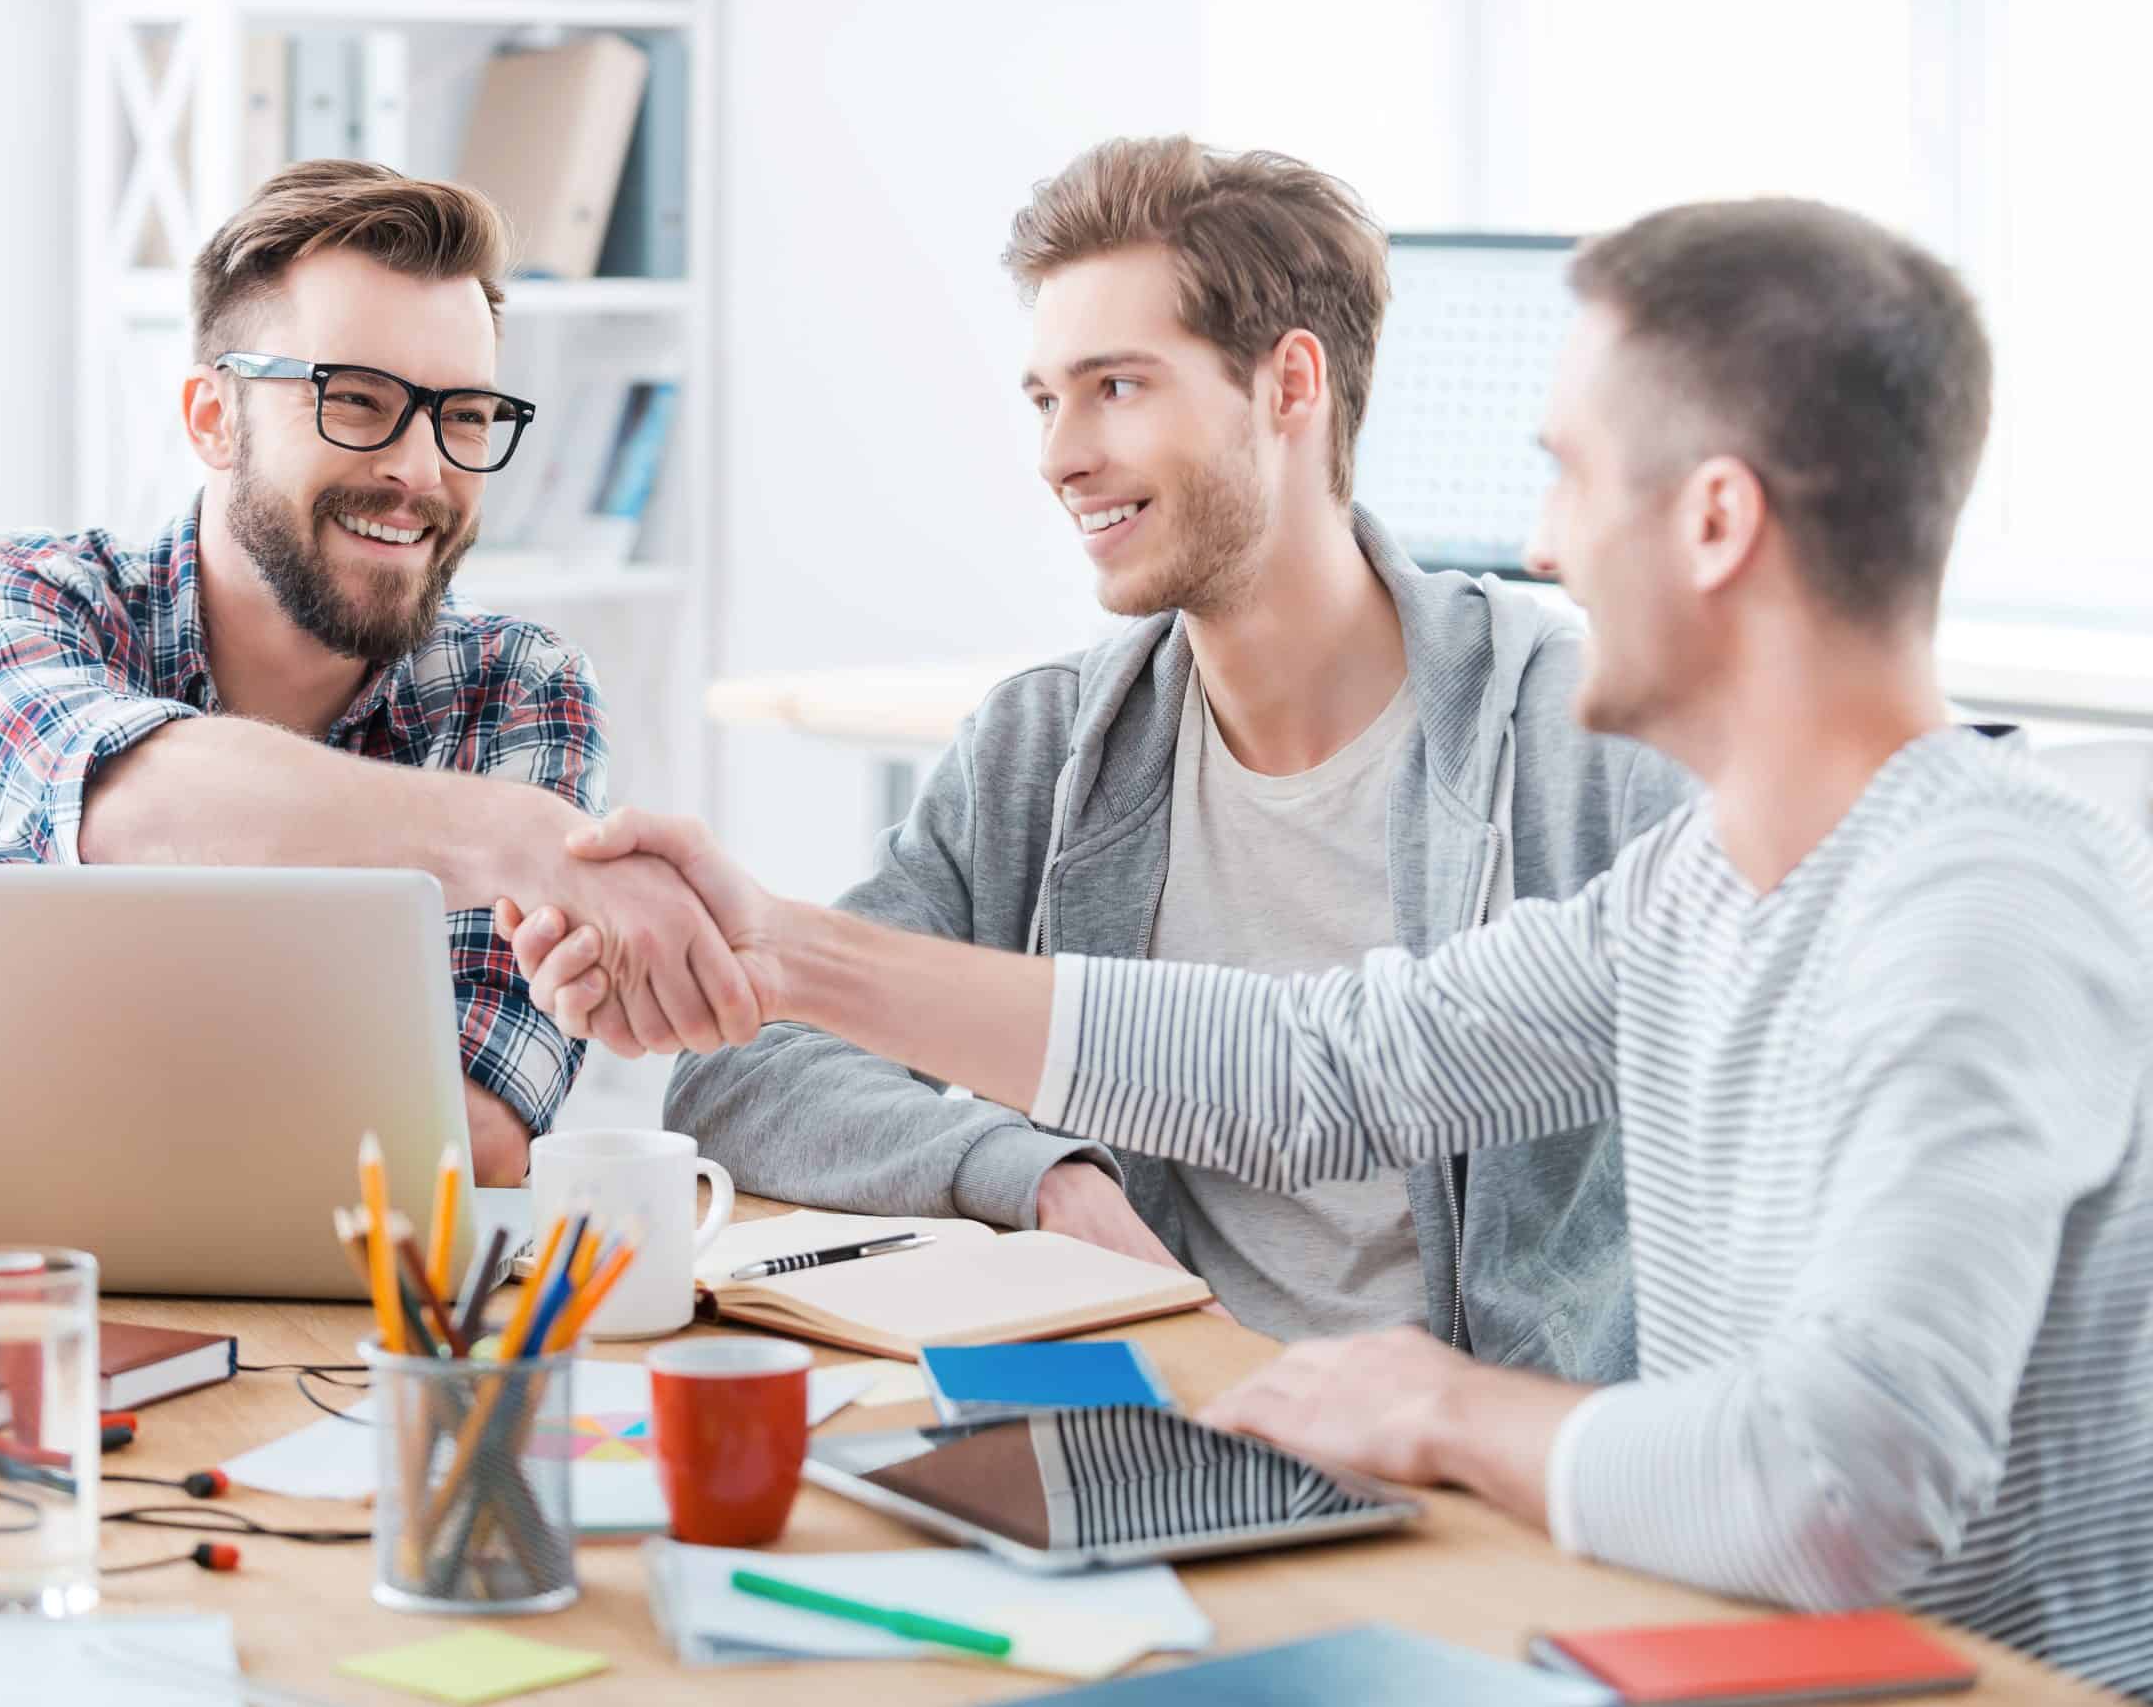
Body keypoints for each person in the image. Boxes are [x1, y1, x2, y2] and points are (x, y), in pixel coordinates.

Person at [500, 197, 2153, 1697]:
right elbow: (1331, 1063)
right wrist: (779, 949)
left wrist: (1430, 1400)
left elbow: (1843, 1481)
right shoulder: (1703, 886)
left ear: (1715, 521)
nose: (1546, 541)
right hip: (1696, 1647)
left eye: (1570, 473)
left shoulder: (1980, 902)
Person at [664, 138, 1691, 1368]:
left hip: (1483, 1474)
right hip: (1160, 1414)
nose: (1059, 456)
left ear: (1289, 385)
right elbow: (742, 1070)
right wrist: (1033, 1176)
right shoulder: (1043, 747)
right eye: (1046, 398)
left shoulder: (1585, 752)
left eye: (1119, 387)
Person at [0, 161, 755, 1185]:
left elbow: (471, 1135)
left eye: (463, 415)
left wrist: (68, 1109)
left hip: (346, 1327)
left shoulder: (520, 687)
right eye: (359, 400)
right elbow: (111, 800)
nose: (420, 471)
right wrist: (517, 842)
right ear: (212, 418)